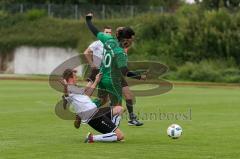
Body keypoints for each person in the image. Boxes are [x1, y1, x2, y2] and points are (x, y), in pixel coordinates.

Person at [85, 13, 146, 124]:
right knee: (118, 108)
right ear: (126, 39)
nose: (132, 42)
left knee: (101, 100)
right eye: (131, 39)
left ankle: (85, 112)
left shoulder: (108, 39)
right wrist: (139, 76)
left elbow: (95, 31)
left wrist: (88, 20)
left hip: (102, 77)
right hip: (113, 80)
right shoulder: (120, 52)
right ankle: (111, 131)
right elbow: (125, 72)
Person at [62, 68, 124, 143]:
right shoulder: (69, 88)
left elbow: (87, 94)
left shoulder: (75, 88)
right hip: (93, 116)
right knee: (120, 136)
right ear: (70, 78)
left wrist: (96, 80)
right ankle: (92, 138)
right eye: (75, 76)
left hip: (96, 111)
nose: (77, 78)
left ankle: (111, 135)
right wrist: (65, 86)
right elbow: (66, 94)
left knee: (119, 109)